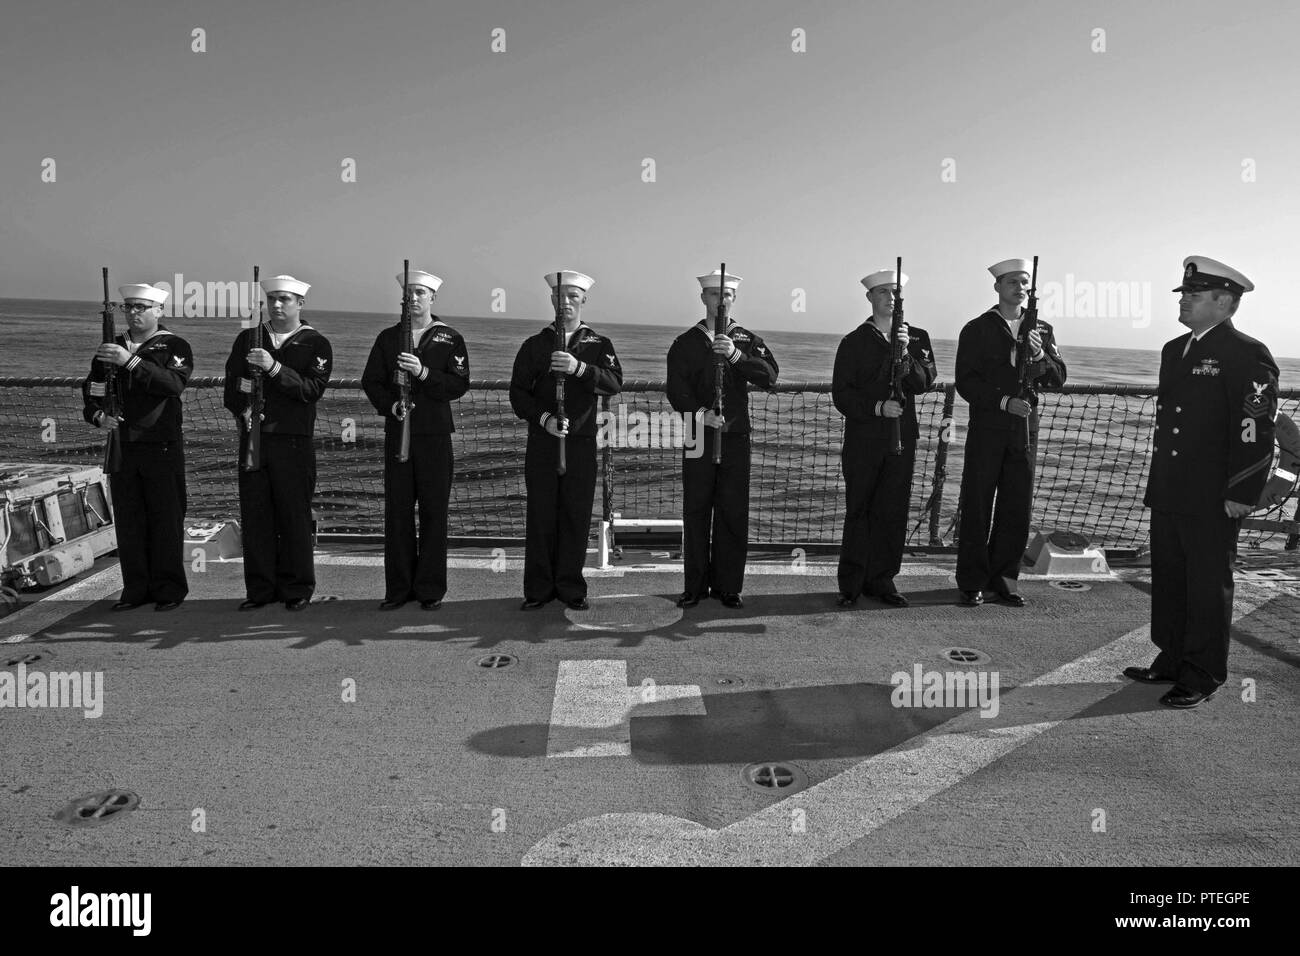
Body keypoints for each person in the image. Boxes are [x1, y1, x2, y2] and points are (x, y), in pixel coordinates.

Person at [1126, 256, 1279, 708]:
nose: (1185, 298)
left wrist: (1242, 491)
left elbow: (1254, 429)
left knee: (1209, 583)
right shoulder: (1175, 349)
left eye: (1195, 294)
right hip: (1173, 486)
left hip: (1214, 494)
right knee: (1171, 576)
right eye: (1184, 293)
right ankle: (1171, 657)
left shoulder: (1246, 352)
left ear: (1225, 302)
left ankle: (1203, 673)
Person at [954, 258, 1066, 607]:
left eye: (1025, 283)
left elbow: (1058, 377)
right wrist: (1003, 402)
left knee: (1016, 508)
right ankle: (971, 581)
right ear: (998, 287)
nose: (1021, 289)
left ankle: (1005, 582)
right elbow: (966, 382)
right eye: (1014, 282)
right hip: (989, 426)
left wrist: (1038, 355)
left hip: (1024, 429)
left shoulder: (1042, 330)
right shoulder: (978, 328)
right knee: (977, 504)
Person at [509, 271, 622, 610]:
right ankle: (538, 590)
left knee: (575, 517)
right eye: (560, 296)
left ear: (583, 300)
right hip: (543, 443)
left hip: (580, 443)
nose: (566, 302)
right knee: (541, 516)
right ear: (552, 300)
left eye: (573, 296)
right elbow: (518, 393)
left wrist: (579, 369)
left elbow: (614, 383)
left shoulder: (599, 345)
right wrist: (543, 418)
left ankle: (572, 588)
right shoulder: (534, 345)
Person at [666, 268, 778, 609]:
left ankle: (729, 586)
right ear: (703, 298)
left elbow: (770, 376)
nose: (721, 301)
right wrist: (702, 415)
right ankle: (695, 586)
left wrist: (735, 356)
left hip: (735, 437)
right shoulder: (685, 343)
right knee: (697, 510)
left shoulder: (745, 340)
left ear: (734, 299)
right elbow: (676, 391)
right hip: (699, 435)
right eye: (715, 295)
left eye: (727, 295)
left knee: (732, 511)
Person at [362, 269, 470, 610]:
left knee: (434, 513)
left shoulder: (449, 338)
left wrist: (422, 373)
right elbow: (372, 381)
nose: (414, 299)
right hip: (399, 433)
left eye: (421, 293)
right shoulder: (388, 338)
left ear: (432, 298)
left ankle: (430, 590)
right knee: (398, 512)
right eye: (409, 293)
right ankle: (398, 589)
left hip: (435, 435)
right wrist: (390, 405)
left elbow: (458, 385)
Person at [222, 274, 332, 611]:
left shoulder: (316, 344)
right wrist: (242, 411)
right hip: (255, 438)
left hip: (294, 441)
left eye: (285, 299)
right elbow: (231, 385)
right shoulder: (248, 339)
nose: (277, 305)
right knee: (256, 515)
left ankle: (296, 588)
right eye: (273, 299)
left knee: (294, 516)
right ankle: (260, 589)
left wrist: (273, 368)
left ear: (300, 304)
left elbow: (311, 390)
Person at [83, 282, 193, 612]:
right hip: (124, 444)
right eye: (128, 307)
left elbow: (173, 384)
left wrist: (130, 361)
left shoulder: (174, 346)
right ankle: (135, 589)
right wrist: (98, 416)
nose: (133, 313)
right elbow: (93, 389)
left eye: (141, 307)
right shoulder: (110, 347)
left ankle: (169, 589)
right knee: (130, 522)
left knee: (165, 517)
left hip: (160, 444)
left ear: (158, 311)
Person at [832, 268, 937, 608]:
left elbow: (925, 383)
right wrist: (877, 408)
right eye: (883, 293)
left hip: (901, 439)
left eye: (895, 294)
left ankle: (882, 580)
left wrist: (905, 355)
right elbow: (842, 396)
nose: (890, 298)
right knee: (859, 510)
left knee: (892, 510)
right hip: (865, 439)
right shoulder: (854, 342)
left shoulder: (917, 338)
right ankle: (851, 584)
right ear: (870, 298)